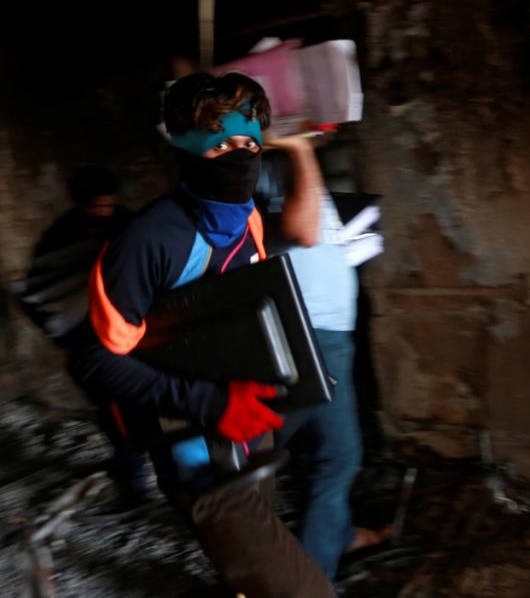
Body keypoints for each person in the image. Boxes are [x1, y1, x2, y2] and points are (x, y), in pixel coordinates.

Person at [67, 71, 333, 597]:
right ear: (187, 151)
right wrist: (210, 403)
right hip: (198, 458)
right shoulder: (147, 240)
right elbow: (93, 360)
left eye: (250, 143)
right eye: (222, 145)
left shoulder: (249, 219)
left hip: (249, 435)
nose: (241, 156)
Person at [256, 136, 389, 581]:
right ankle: (298, 580)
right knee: (309, 458)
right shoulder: (273, 163)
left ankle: (334, 540)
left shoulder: (286, 166)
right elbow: (303, 230)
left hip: (325, 331)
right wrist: (300, 148)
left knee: (332, 455)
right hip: (307, 332)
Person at [17, 165, 145, 504]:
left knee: (133, 406)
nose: (103, 213)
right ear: (78, 203)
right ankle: (133, 479)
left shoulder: (127, 225)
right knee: (110, 408)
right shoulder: (60, 237)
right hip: (88, 338)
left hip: (130, 329)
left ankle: (137, 470)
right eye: (95, 206)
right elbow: (43, 287)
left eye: (108, 205)